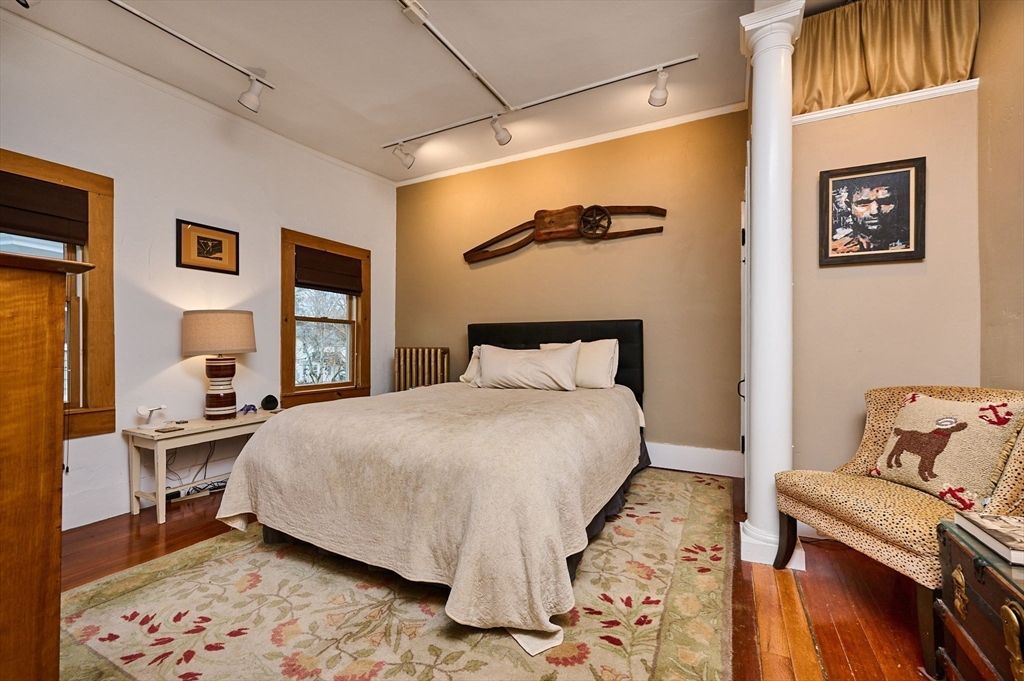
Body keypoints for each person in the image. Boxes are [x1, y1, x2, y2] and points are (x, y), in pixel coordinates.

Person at [830, 174, 910, 254]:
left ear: (897, 202)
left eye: (885, 202)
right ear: (849, 206)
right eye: (863, 203)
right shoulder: (836, 249)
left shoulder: (910, 242)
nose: (874, 212)